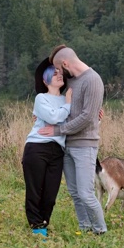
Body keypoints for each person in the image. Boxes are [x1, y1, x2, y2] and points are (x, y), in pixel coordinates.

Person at [38, 45, 108, 235]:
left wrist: (57, 130)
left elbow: (86, 117)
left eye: (58, 69)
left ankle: (101, 231)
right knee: (75, 193)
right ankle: (85, 229)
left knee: (86, 193)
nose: (58, 73)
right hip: (67, 145)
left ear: (66, 63)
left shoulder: (93, 80)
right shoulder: (71, 81)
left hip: (85, 145)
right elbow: (66, 108)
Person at [22, 57, 72, 237]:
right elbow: (52, 118)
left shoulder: (68, 100)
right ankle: (37, 226)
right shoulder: (41, 98)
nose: (59, 75)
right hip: (37, 147)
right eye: (54, 73)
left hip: (57, 151)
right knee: (35, 190)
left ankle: (44, 221)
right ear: (45, 80)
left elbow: (76, 122)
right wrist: (67, 105)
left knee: (51, 194)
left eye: (60, 73)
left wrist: (96, 116)